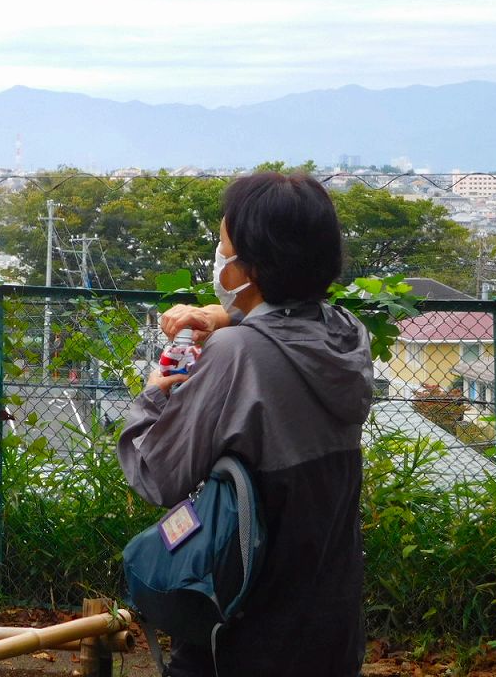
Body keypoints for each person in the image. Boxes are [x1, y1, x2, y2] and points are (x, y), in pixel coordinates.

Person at [118, 172, 374, 677]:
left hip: (243, 632)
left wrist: (152, 395)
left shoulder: (237, 356)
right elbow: (284, 327)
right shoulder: (346, 336)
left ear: (252, 267)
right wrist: (226, 316)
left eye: (223, 247)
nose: (219, 258)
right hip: (332, 627)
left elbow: (156, 475)